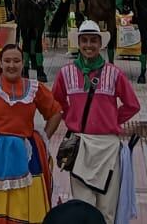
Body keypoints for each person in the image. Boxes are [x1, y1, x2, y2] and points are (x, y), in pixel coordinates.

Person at [51, 21, 140, 223]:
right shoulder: (66, 73)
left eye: (93, 41)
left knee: (107, 207)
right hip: (80, 146)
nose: (88, 45)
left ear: (100, 44)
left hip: (108, 146)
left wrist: (110, 120)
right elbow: (55, 102)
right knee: (83, 208)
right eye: (84, 41)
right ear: (78, 43)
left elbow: (132, 104)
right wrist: (70, 116)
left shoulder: (114, 73)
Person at [0, 41, 62, 224]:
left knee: (24, 204)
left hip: (26, 155)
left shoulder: (35, 88)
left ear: (23, 63)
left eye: (16, 61)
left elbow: (55, 112)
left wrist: (44, 138)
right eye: (7, 61)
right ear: (0, 63)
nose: (12, 65)